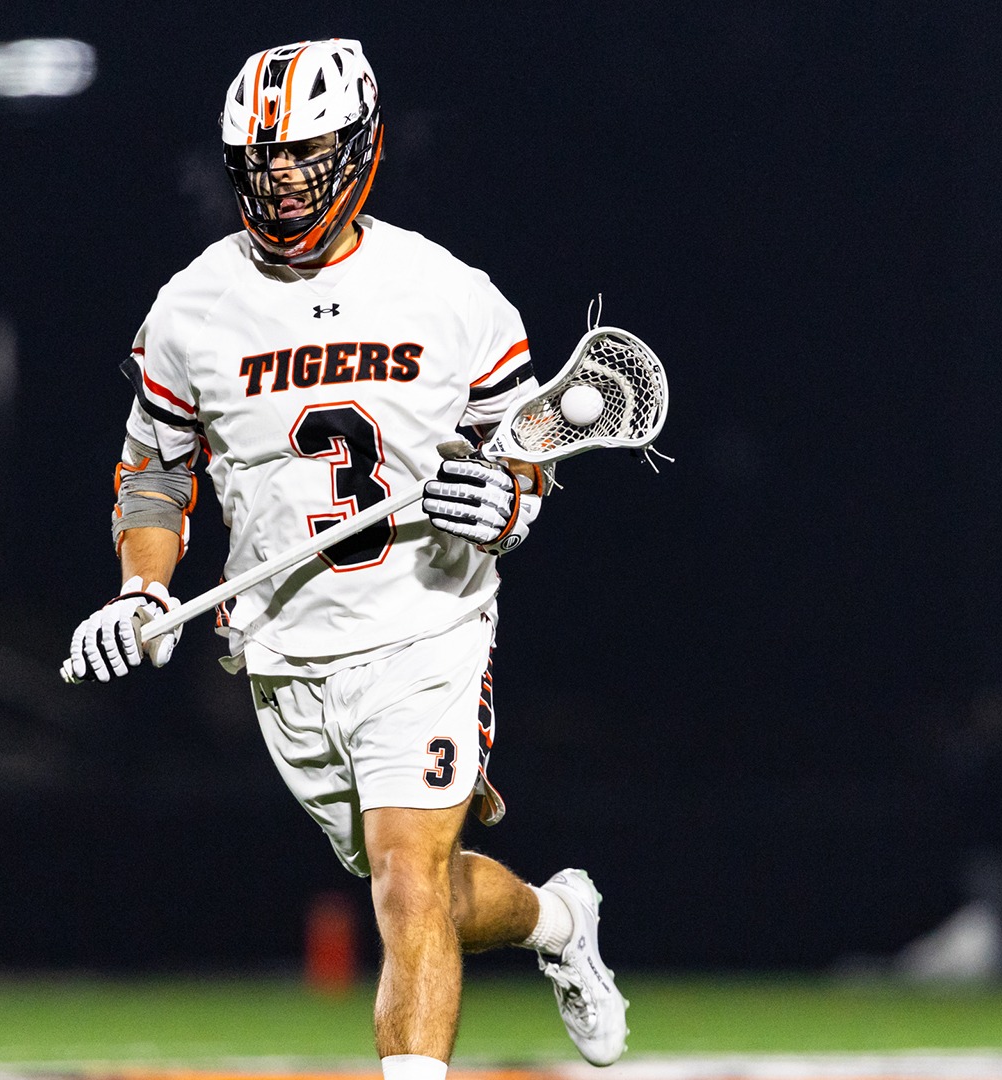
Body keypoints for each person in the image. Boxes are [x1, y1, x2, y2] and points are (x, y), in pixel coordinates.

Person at [61, 39, 628, 1076]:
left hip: (427, 631)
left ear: (360, 147)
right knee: (424, 885)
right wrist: (143, 585)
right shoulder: (190, 309)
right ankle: (557, 920)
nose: (280, 179)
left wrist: (502, 501)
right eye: (261, 161)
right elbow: (153, 473)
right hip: (283, 655)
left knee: (406, 879)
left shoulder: (449, 294)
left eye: (302, 156)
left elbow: (527, 452)